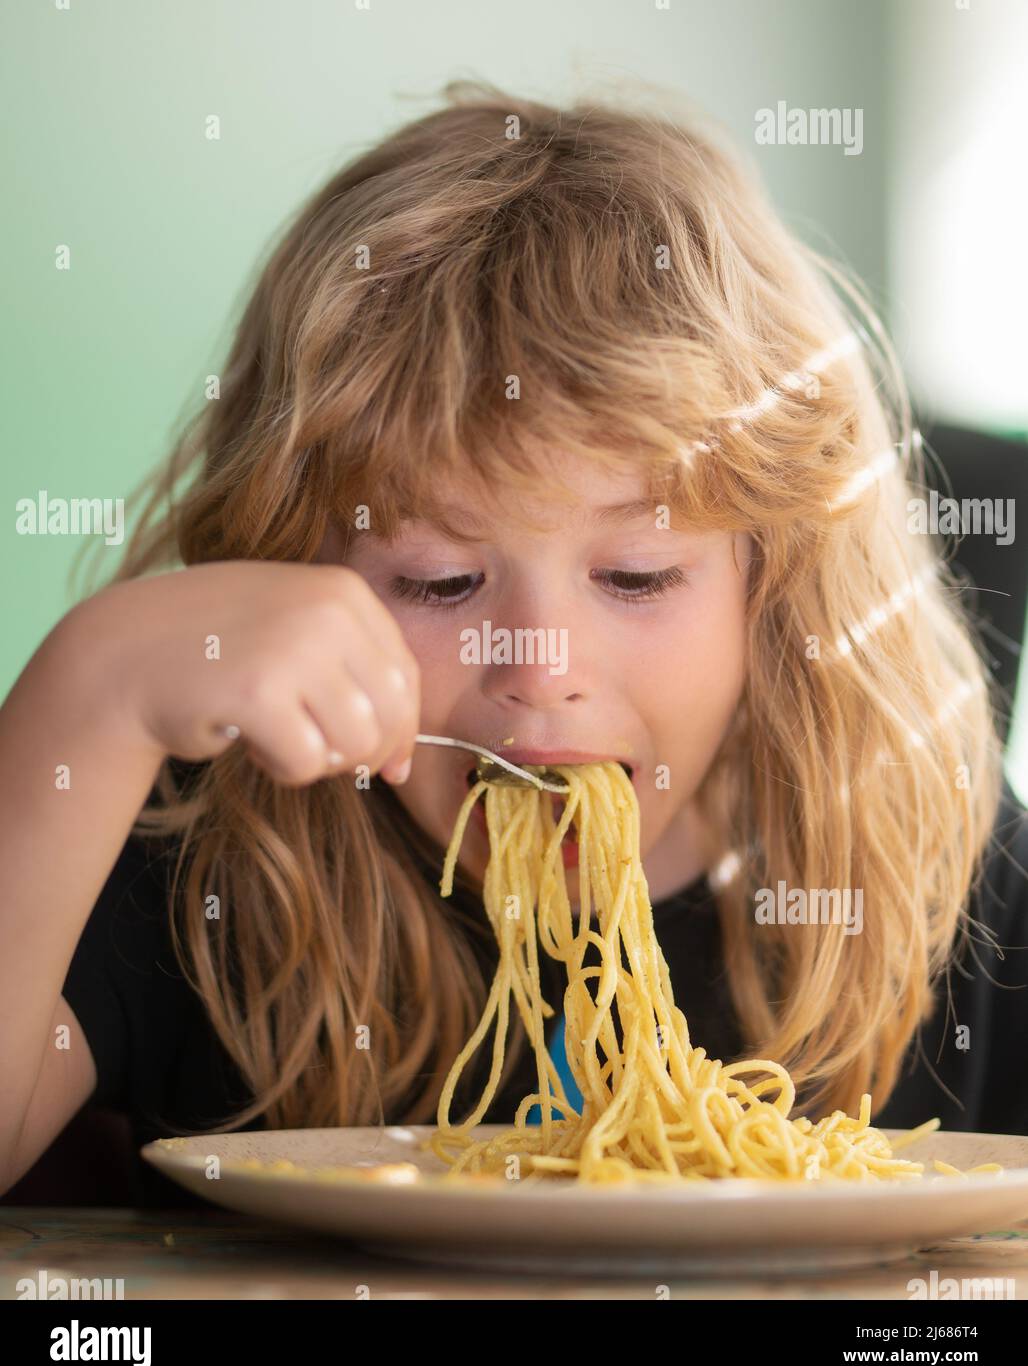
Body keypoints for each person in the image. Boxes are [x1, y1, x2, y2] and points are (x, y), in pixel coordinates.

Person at [2, 81, 1025, 1208]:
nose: (538, 667)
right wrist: (89, 694)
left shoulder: (936, 864)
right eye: (436, 581)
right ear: (293, 571)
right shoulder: (213, 849)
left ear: (770, 583)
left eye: (636, 575)